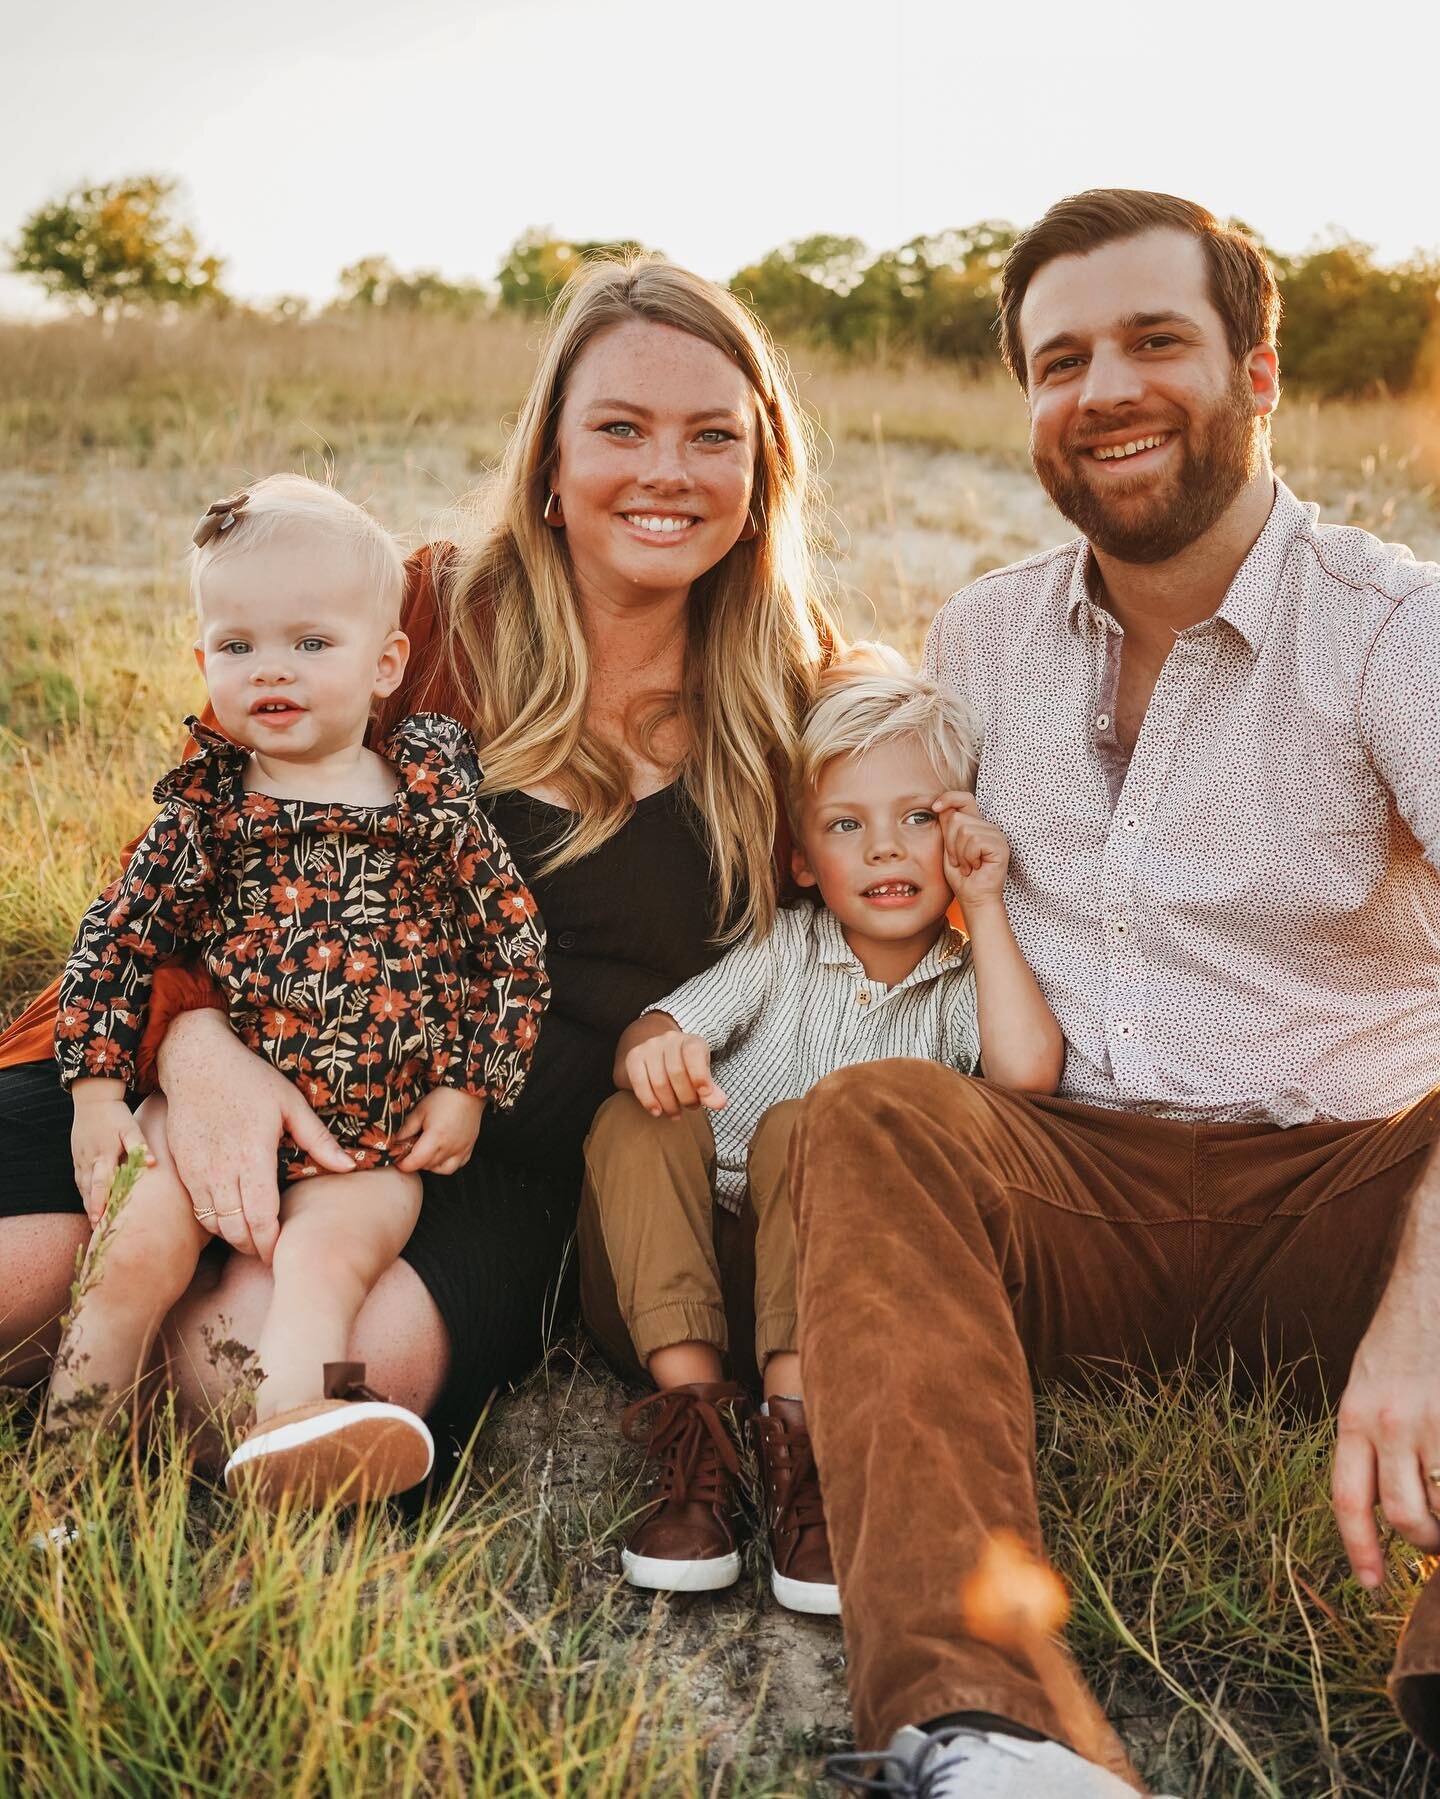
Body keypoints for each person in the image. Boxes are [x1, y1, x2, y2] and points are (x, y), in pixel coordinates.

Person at [801, 190, 1440, 1799]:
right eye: (1060, 357)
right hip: (1072, 1186)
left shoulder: (1397, 631)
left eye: (1156, 340)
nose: (1105, 390)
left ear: (1260, 373)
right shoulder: (985, 636)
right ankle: (987, 1730)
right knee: (868, 1114)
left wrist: (1425, 1306)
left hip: (1346, 1187)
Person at [0, 257, 842, 1473]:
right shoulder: (425, 611)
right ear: (551, 458)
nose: (667, 470)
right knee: (30, 1273)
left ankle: (123, 1387)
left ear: (762, 474)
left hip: (482, 1151)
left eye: (714, 436)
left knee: (258, 1371)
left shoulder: (797, 707)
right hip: (247, 1040)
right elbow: (185, 850)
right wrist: (197, 1050)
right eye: (620, 427)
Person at [46, 475, 547, 1504]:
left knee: (329, 1268)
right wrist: (100, 1092)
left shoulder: (430, 798)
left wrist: (468, 1084)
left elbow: (511, 942)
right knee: (134, 1246)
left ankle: (300, 1432)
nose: (271, 669)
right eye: (237, 646)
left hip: (369, 1140)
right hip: (209, 1114)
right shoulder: (206, 810)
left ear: (385, 662)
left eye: (311, 644)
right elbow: (117, 942)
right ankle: (66, 1470)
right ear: (202, 663)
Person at [580, 658, 1064, 1615]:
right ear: (803, 859)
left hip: (841, 1302)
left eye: (919, 819)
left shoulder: (969, 988)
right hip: (678, 1281)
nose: (886, 850)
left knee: (819, 1124)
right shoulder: (786, 945)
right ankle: (695, 1437)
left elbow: (1026, 1074)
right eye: (847, 825)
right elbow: (660, 1027)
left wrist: (989, 902)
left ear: (963, 830)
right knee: (637, 1115)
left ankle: (802, 1447)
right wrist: (654, 1048)